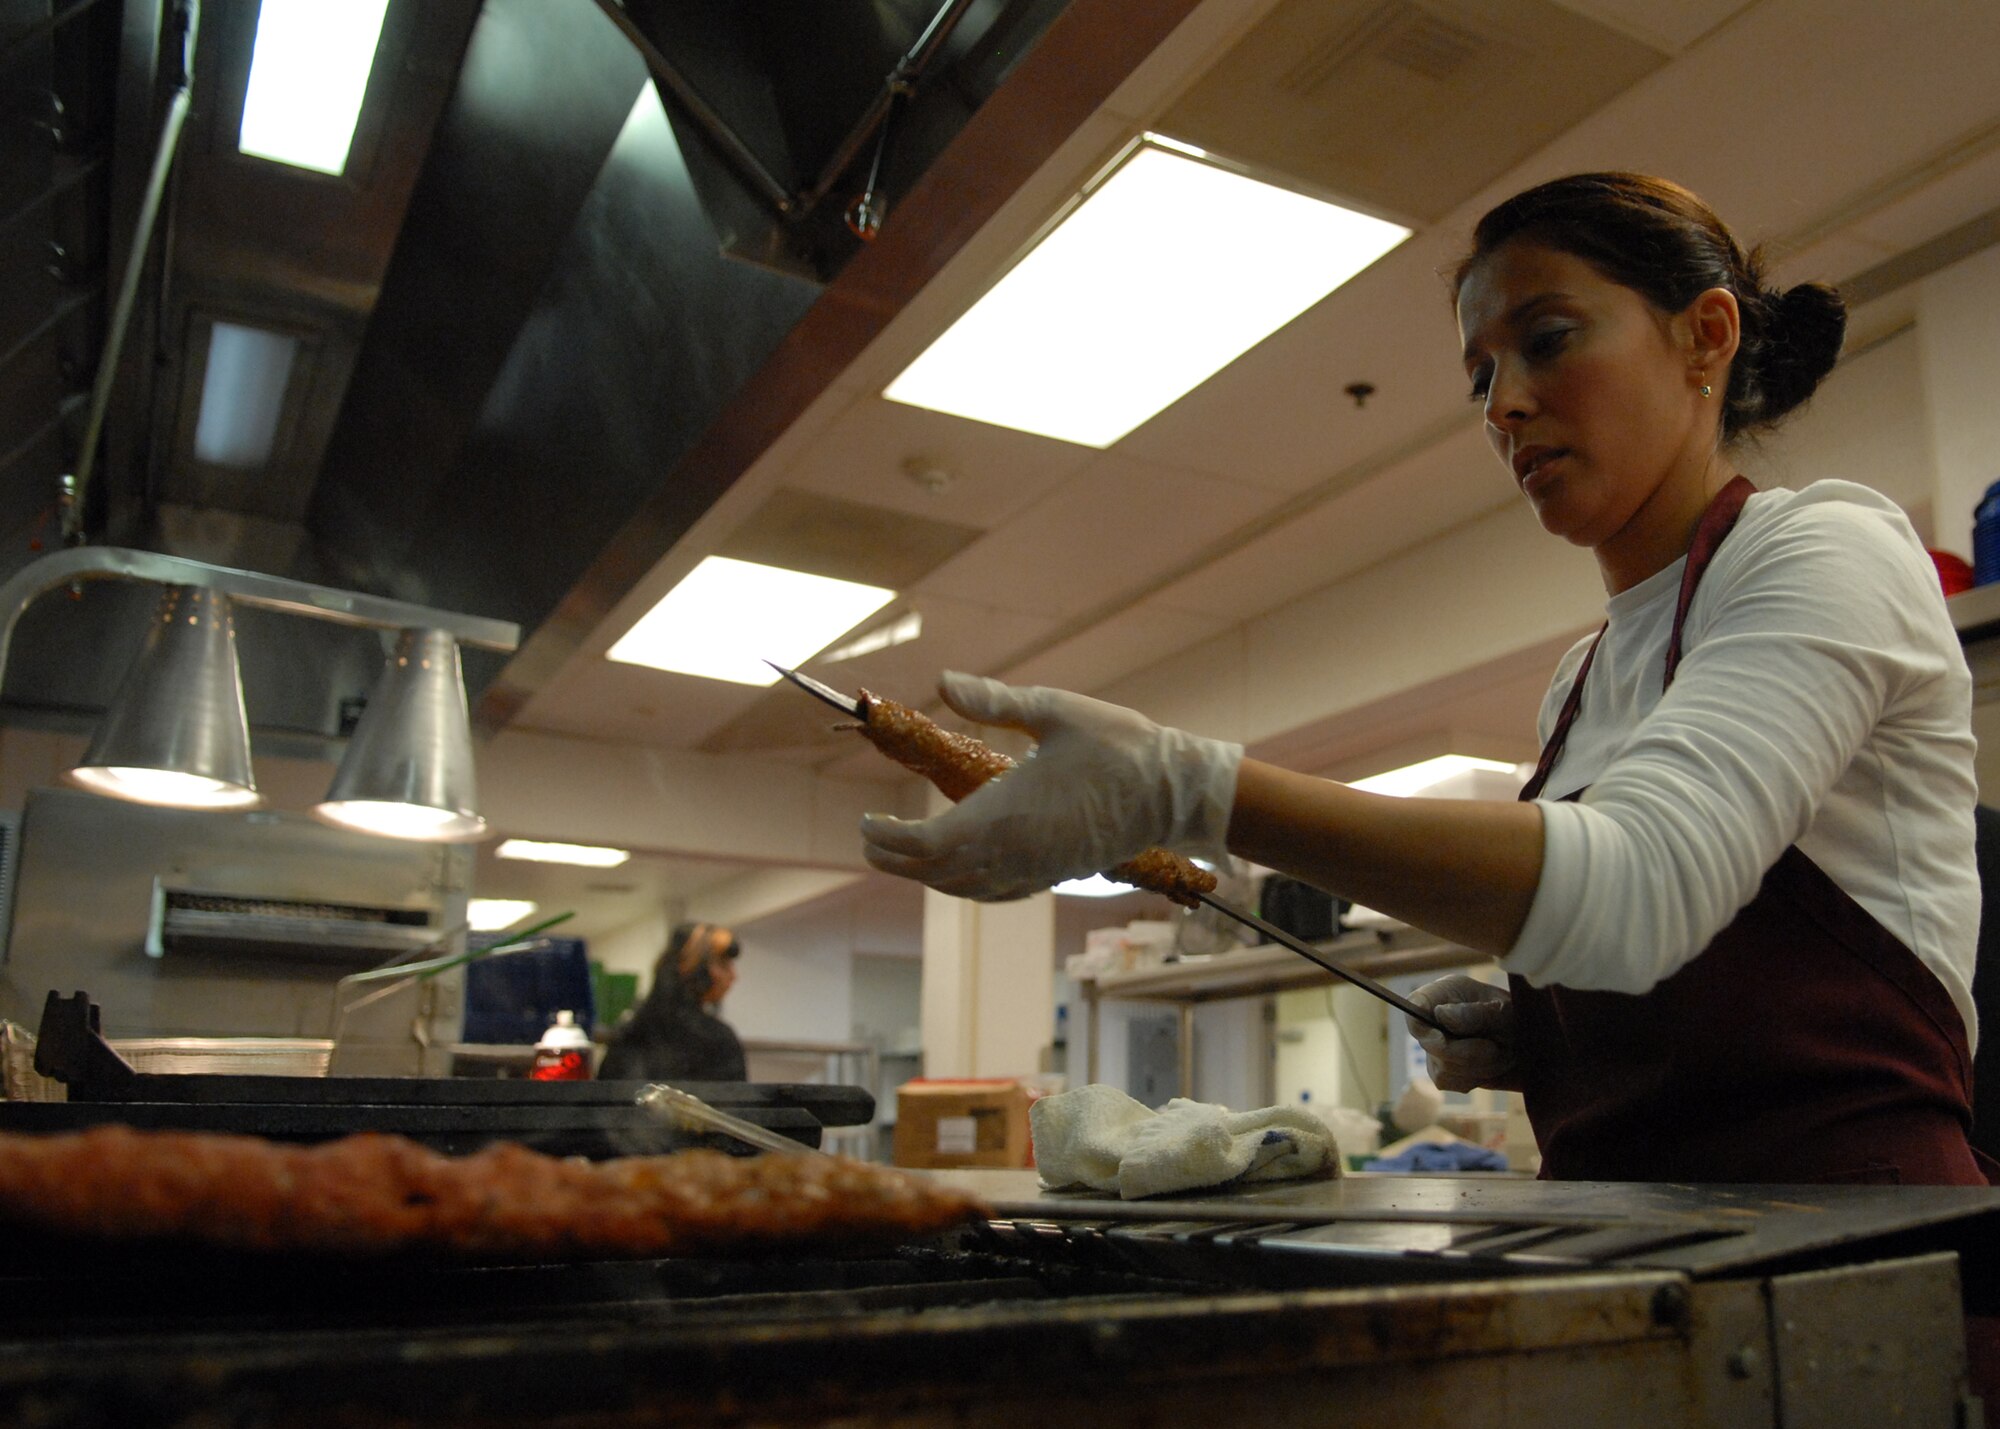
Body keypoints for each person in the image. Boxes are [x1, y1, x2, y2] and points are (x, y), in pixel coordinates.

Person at [859, 172, 1993, 1188]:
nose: (1501, 405)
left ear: (1704, 338)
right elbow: (1654, 959)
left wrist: (1187, 787)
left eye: (1545, 340)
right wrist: (1539, 1032)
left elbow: (1644, 886)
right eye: (1480, 375)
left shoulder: (1830, 551)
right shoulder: (1579, 684)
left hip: (1859, 1250)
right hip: (1644, 1242)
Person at [598, 922, 747, 1082]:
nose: (733, 976)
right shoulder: (719, 1039)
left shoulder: (631, 1030)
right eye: (723, 964)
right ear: (693, 968)